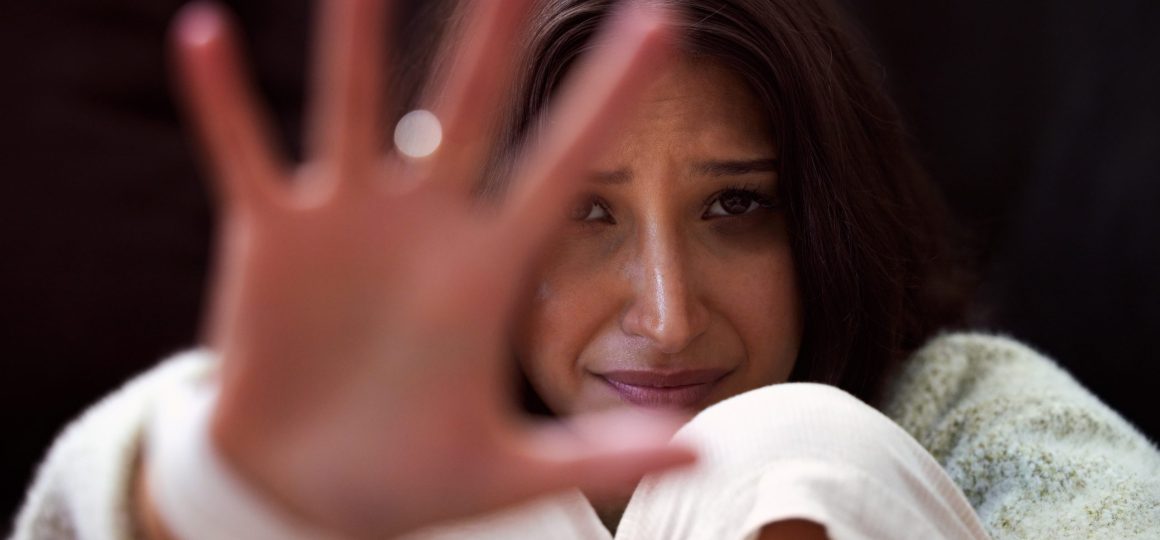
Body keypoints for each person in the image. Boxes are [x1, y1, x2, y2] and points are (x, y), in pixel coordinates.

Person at [12, 0, 1160, 538]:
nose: (666, 316)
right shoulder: (352, 425)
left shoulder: (958, 409)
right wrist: (226, 496)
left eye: (735, 206)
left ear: (821, 220)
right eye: (581, 215)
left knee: (788, 442)